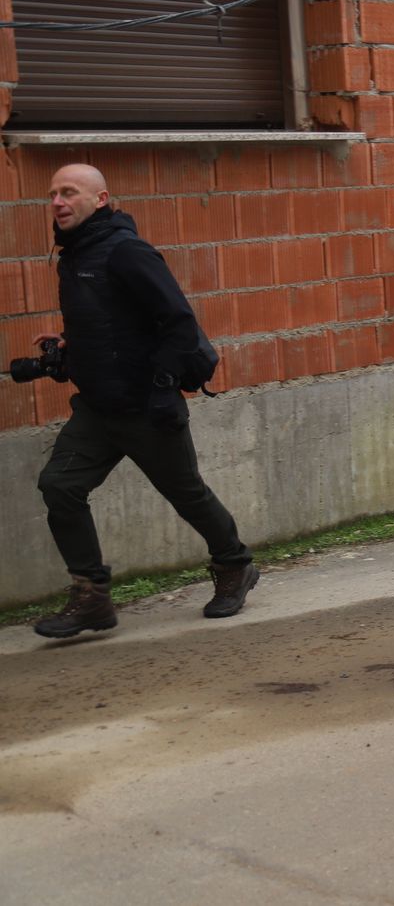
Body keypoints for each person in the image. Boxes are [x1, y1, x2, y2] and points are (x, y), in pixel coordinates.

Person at [29, 164, 256, 639]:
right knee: (59, 485)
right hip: (97, 409)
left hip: (145, 407)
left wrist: (162, 387)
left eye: (68, 192)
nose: (57, 202)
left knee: (187, 494)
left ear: (100, 199)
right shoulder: (74, 254)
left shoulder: (127, 252)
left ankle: (235, 565)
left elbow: (178, 322)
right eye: (52, 194)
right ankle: (91, 597)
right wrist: (72, 345)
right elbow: (112, 321)